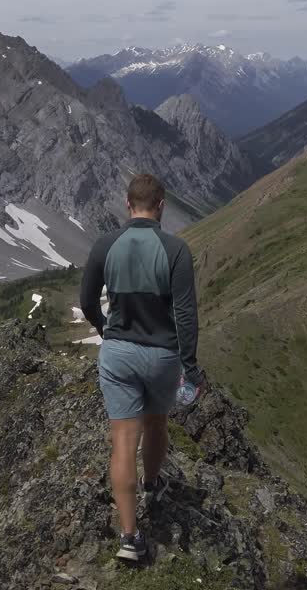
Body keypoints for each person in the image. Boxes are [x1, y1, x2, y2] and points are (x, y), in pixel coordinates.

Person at [79, 173, 205, 563]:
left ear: (127, 203)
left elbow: (86, 300)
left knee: (122, 440)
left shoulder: (105, 244)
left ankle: (130, 538)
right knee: (157, 423)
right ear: (162, 205)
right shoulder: (176, 250)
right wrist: (191, 366)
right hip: (162, 356)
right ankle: (152, 482)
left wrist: (106, 330)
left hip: (118, 354)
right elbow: (186, 316)